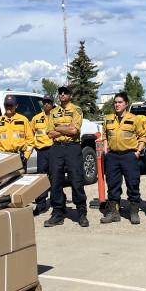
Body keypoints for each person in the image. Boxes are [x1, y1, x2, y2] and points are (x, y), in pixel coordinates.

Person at [43, 86, 89, 228]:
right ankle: (58, 212)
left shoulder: (76, 110)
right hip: (56, 148)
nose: (62, 94)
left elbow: (74, 130)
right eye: (60, 93)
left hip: (72, 148)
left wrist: (58, 128)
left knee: (76, 179)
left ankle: (81, 212)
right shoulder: (53, 112)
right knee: (55, 179)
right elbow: (50, 133)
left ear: (71, 95)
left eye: (65, 93)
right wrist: (64, 129)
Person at [100, 92, 146, 225]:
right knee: (113, 185)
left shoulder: (135, 119)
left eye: (120, 102)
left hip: (129, 156)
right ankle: (113, 213)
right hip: (113, 156)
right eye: (115, 102)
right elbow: (104, 136)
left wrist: (138, 151)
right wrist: (105, 149)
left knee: (133, 183)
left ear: (126, 104)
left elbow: (143, 137)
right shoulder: (108, 119)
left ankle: (134, 212)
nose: (117, 104)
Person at [0, 95, 33, 170]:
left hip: (19, 156)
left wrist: (26, 157)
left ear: (16, 106)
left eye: (11, 105)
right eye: (7, 105)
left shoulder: (23, 120)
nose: (9, 107)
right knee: (5, 181)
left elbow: (30, 141)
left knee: (19, 181)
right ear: (4, 105)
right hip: (3, 158)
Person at [30, 94, 55, 215]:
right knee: (41, 177)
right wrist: (34, 144)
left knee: (56, 176)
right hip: (41, 151)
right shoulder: (36, 118)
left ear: (53, 103)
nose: (46, 104)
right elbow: (30, 133)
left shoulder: (57, 117)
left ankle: (57, 202)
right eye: (44, 102)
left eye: (49, 102)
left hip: (54, 149)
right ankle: (41, 204)